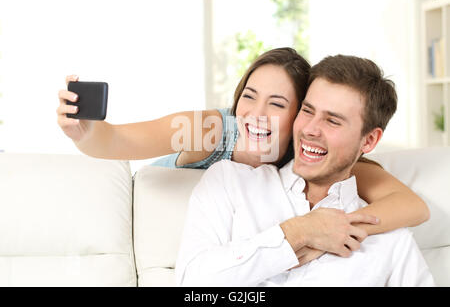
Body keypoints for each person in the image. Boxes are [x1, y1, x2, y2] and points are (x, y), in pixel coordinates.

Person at [57, 48, 429, 263]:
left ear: (300, 114)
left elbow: (411, 206)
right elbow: (117, 141)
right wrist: (85, 130)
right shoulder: (216, 129)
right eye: (249, 95)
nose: (256, 114)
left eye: (278, 103)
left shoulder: (310, 155)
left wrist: (333, 231)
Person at [175, 55, 435, 287]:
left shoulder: (392, 243)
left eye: (332, 120)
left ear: (368, 141)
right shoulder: (230, 181)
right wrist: (298, 233)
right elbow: (191, 285)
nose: (310, 129)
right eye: (307, 111)